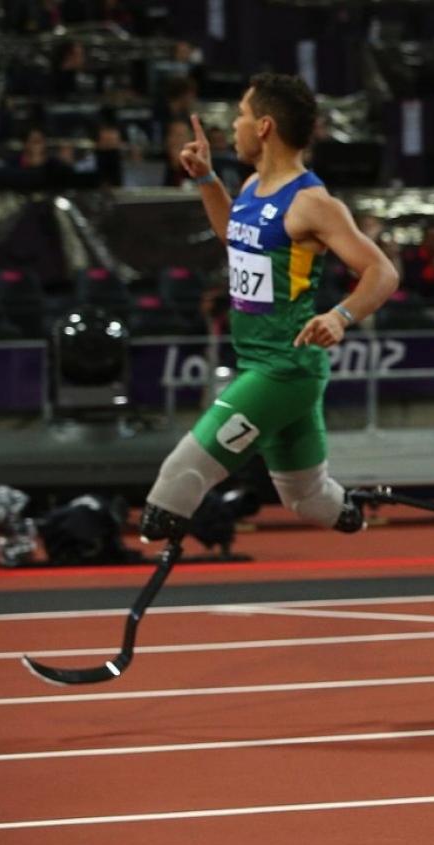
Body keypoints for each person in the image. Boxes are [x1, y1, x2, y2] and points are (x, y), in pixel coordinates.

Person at [138, 73, 398, 546]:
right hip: (263, 362)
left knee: (176, 480)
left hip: (284, 369)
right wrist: (207, 180)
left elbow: (383, 273)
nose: (232, 125)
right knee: (307, 498)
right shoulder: (256, 185)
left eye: (239, 114)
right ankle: (355, 511)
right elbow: (233, 237)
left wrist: (339, 317)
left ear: (264, 126)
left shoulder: (313, 204)